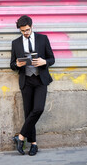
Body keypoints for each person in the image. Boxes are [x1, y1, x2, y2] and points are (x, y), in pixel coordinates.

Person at [10, 15, 55, 156]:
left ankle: (21, 136)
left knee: (38, 109)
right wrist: (16, 65)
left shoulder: (43, 39)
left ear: (32, 26)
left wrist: (44, 62)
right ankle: (33, 144)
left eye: (27, 30)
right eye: (23, 31)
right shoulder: (15, 43)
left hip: (40, 80)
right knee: (29, 113)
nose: (26, 33)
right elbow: (12, 65)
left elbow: (52, 59)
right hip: (26, 81)